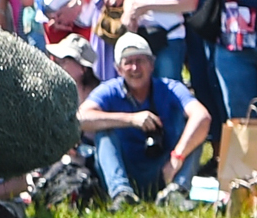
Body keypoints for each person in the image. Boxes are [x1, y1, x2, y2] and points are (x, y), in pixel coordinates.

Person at [78, 33, 211, 203]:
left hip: (165, 169)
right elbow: (80, 118)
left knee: (194, 132)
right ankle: (122, 195)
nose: (135, 68)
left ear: (151, 65)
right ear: (118, 69)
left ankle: (177, 192)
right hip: (125, 169)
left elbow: (202, 117)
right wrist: (131, 120)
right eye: (128, 63)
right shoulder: (109, 90)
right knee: (104, 134)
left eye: (140, 61)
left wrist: (178, 156)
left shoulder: (170, 88)